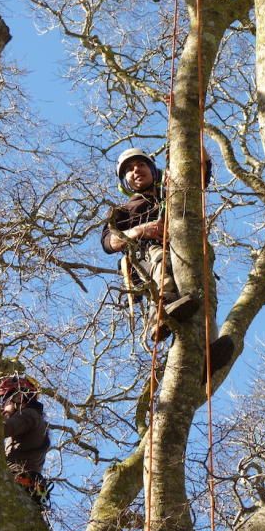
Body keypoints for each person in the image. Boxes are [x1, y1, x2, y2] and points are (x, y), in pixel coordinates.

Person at [101, 148, 234, 378]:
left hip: (184, 251)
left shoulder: (170, 192)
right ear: (125, 182)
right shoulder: (121, 211)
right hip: (146, 254)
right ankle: (160, 316)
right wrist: (142, 230)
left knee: (201, 293)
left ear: (153, 170)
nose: (136, 170)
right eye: (130, 169)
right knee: (158, 257)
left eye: (140, 165)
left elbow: (197, 179)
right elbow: (108, 242)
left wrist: (196, 153)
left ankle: (206, 353)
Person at [0, 375, 51, 506]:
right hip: (25, 486)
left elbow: (1, 429)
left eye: (6, 402)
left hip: (18, 482)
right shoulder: (36, 420)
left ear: (18, 398)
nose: (4, 406)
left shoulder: (28, 415)